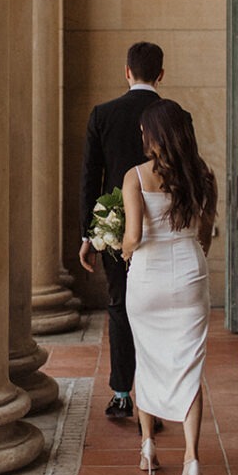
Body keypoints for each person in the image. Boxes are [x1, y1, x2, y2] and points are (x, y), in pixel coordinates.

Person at [121, 99, 217, 475]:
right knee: (189, 369)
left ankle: (148, 448)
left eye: (145, 130)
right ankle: (192, 461)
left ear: (155, 135)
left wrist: (123, 253)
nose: (142, 136)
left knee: (146, 358)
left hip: (148, 278)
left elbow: (134, 237)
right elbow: (206, 234)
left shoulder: (136, 176)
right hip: (190, 274)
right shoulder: (204, 175)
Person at [79, 41, 166, 420]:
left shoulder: (103, 114)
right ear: (161, 74)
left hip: (116, 230)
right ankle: (155, 396)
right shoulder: (175, 116)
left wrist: (88, 234)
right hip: (162, 227)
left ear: (126, 71)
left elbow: (90, 178)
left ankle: (120, 393)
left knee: (119, 307)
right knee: (157, 312)